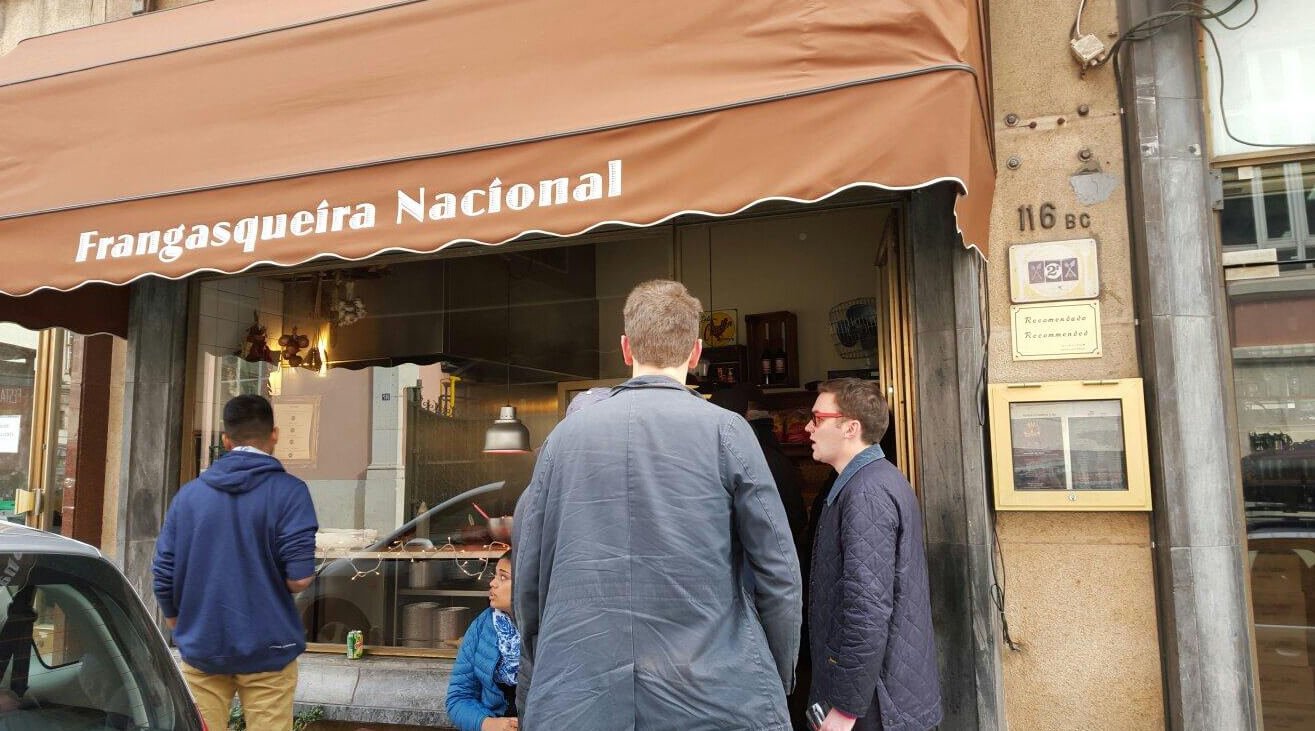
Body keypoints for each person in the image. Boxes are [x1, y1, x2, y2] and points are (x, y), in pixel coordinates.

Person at [513, 279, 802, 730]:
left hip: (580, 696)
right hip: (714, 695)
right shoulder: (728, 432)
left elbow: (528, 576)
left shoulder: (562, 439)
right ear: (696, 352)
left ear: (626, 348)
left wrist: (535, 679)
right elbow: (779, 574)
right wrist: (777, 675)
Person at [152, 395, 319, 731]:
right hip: (269, 646)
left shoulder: (188, 496)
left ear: (226, 440)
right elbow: (299, 578)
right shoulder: (291, 492)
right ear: (274, 434)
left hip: (203, 645)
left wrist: (176, 621)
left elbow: (163, 572)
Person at [805, 379, 941, 731]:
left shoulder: (866, 491)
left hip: (876, 705)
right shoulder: (874, 479)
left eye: (817, 418)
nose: (808, 428)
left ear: (851, 428)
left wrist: (846, 708)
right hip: (882, 695)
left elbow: (867, 608)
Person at [446, 553, 520, 731]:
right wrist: (489, 724)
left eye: (503, 577)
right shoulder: (481, 626)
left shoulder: (550, 629)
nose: (493, 583)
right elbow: (458, 698)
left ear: (527, 584)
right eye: (495, 575)